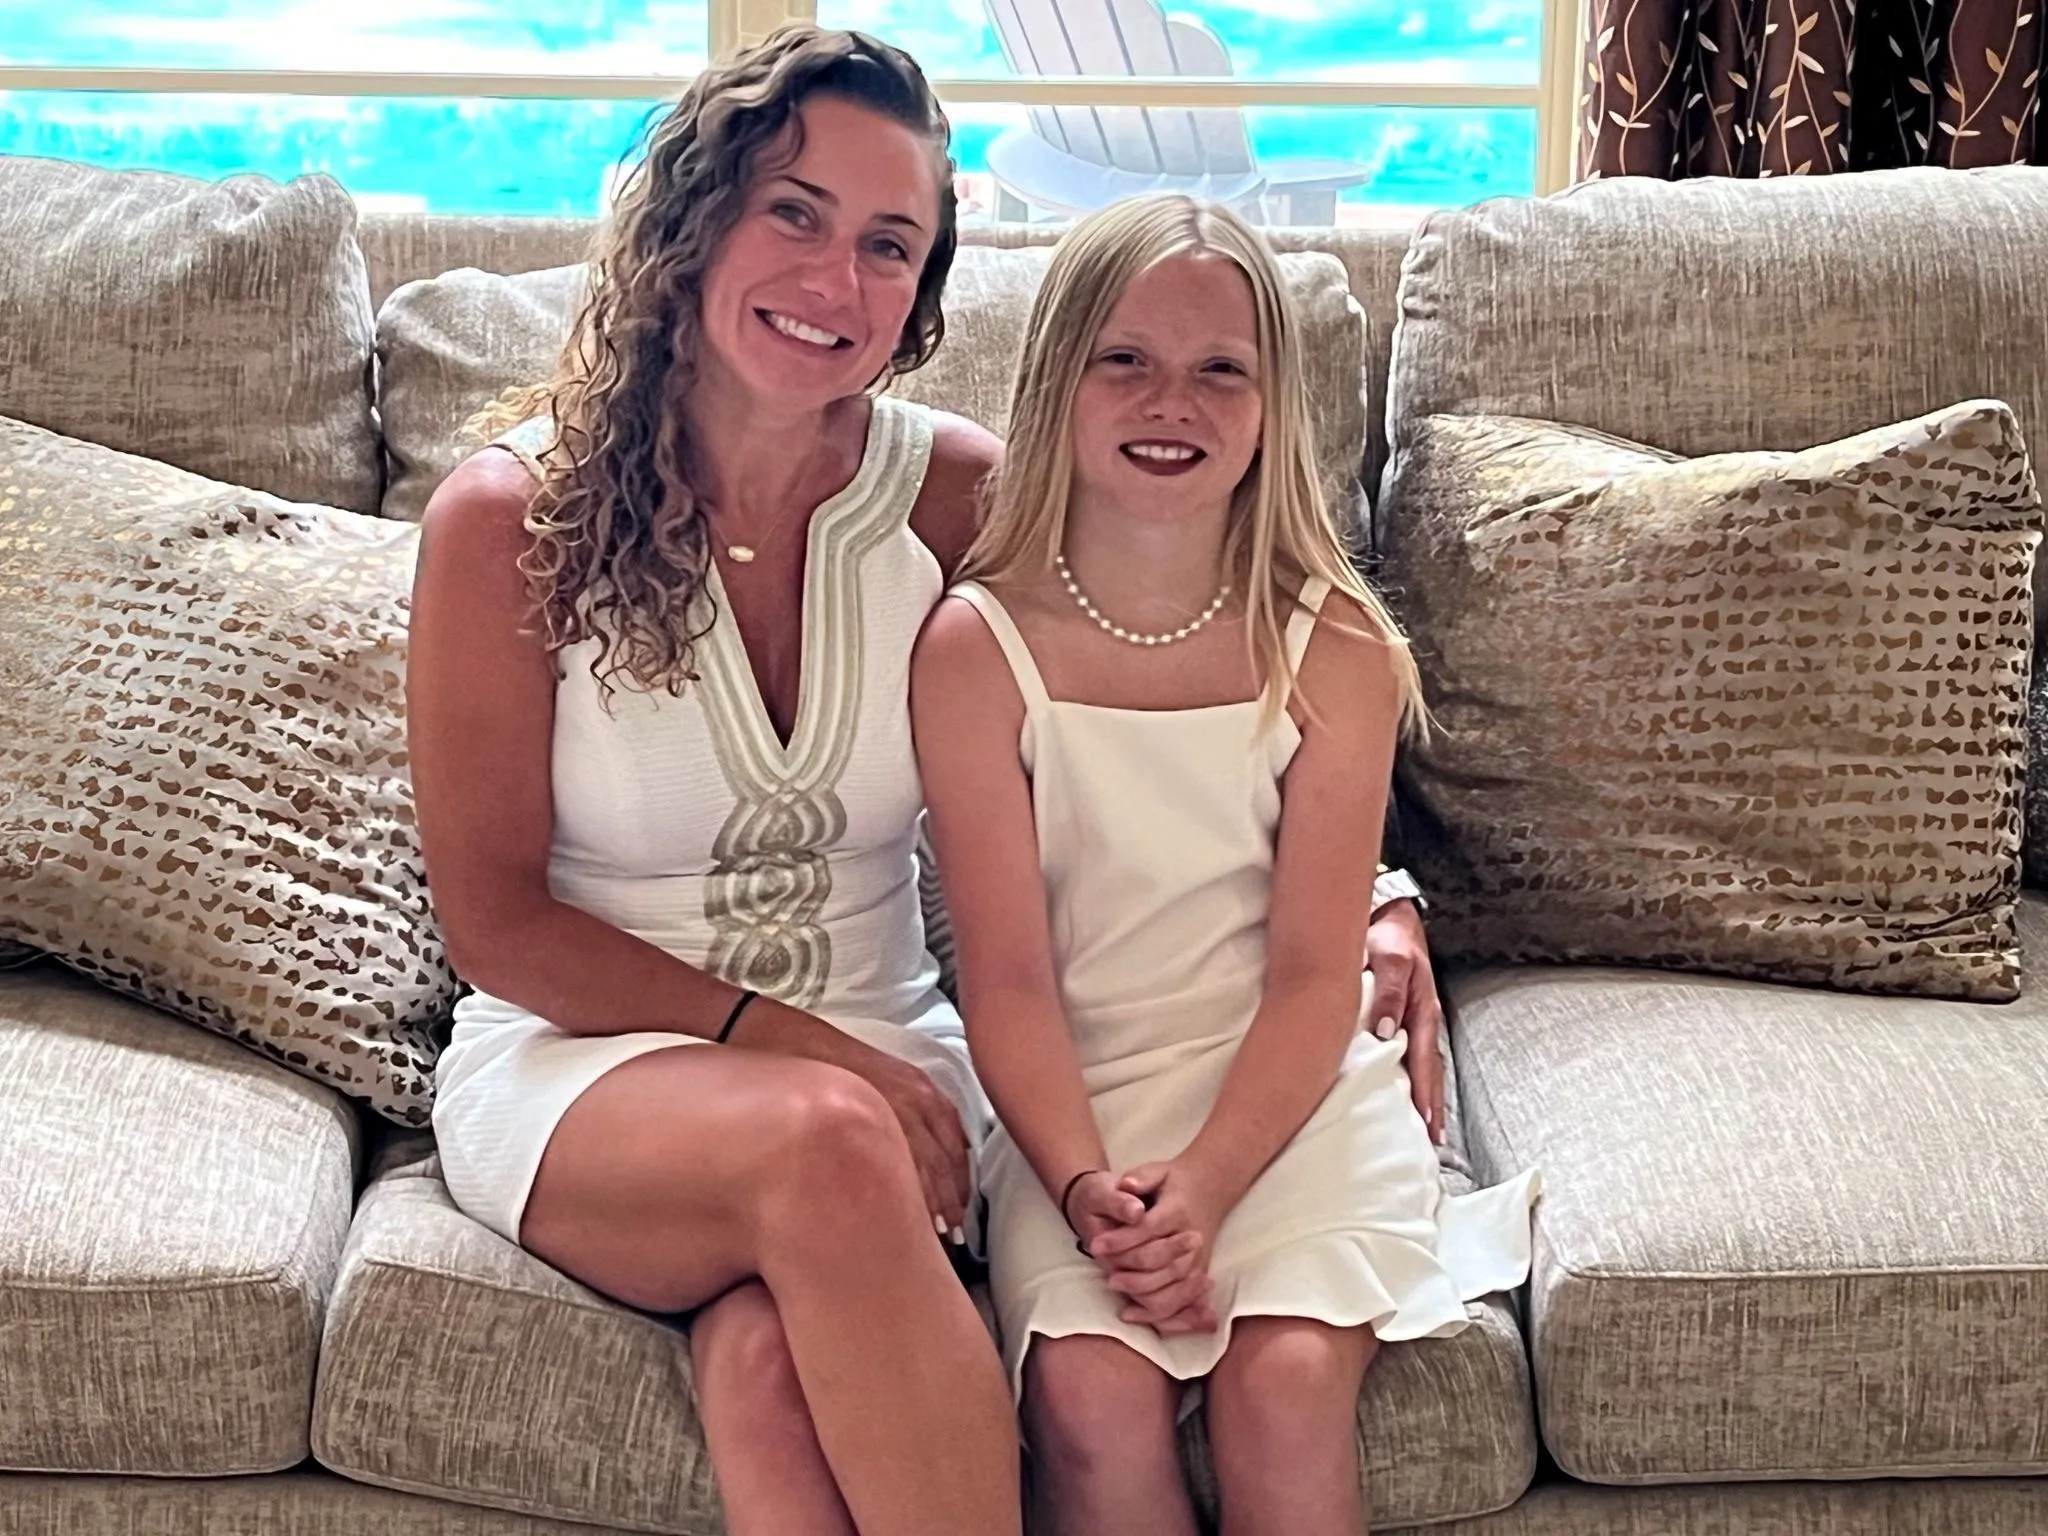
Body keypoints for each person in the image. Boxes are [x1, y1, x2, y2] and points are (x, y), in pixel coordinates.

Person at [407, 27, 1018, 1536]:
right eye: (793, 212)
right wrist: (803, 1053)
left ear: (923, 296)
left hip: (892, 1053)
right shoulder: (509, 523)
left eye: (891, 245)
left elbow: (1201, 667)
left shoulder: (958, 498)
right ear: (693, 222)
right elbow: (497, 927)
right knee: (820, 1146)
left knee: (762, 1372)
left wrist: (1378, 900)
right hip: (585, 1066)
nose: (836, 281)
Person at [910, 194, 1539, 1536]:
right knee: (1087, 1402)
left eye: (1220, 371)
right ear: (1057, 378)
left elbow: (1319, 974)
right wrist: (1096, 1194)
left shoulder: (1335, 648)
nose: (1171, 402)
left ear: (1273, 406)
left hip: (1287, 1094)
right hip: (1072, 1100)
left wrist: (1202, 1193)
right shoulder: (977, 648)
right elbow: (1006, 984)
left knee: (1286, 1387)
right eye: (1125, 359)